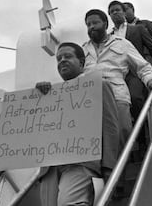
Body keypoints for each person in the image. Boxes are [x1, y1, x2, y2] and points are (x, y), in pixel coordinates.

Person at [36, 42, 120, 206]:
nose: (62, 61)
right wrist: (39, 97)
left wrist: (109, 167)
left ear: (82, 63)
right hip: (50, 169)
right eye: (59, 58)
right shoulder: (50, 94)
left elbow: (111, 127)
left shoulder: (99, 86)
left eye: (68, 56)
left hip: (81, 163)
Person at [83, 8, 152, 153]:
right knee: (97, 139)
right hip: (90, 100)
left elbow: (142, 66)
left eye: (95, 23)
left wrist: (150, 80)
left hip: (116, 96)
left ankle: (120, 171)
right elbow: (75, 75)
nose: (91, 27)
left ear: (105, 24)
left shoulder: (122, 43)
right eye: (88, 24)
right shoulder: (83, 49)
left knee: (122, 133)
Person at [108, 0, 152, 125]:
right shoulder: (109, 37)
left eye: (118, 10)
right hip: (119, 75)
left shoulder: (138, 29)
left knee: (135, 98)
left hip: (136, 71)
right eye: (112, 12)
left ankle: (149, 127)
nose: (115, 13)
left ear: (124, 12)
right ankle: (139, 135)